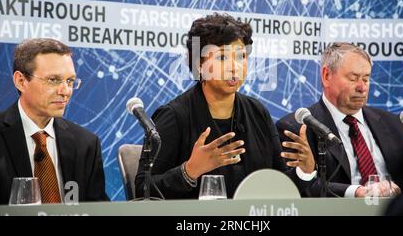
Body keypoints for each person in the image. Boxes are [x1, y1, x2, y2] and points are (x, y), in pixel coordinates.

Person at [134, 13, 315, 199]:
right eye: (222, 58)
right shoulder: (174, 116)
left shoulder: (257, 112)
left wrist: (304, 172)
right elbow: (142, 189)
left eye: (241, 57)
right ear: (199, 65)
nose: (234, 67)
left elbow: (278, 183)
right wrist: (189, 171)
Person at [276, 42, 403, 198]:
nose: (362, 87)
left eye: (366, 79)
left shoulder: (394, 125)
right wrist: (356, 192)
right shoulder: (296, 128)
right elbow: (300, 186)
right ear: (326, 76)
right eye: (353, 78)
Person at [0, 38, 108, 204]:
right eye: (53, 80)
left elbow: (98, 208)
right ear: (21, 81)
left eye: (70, 81)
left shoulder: (85, 144)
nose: (65, 91)